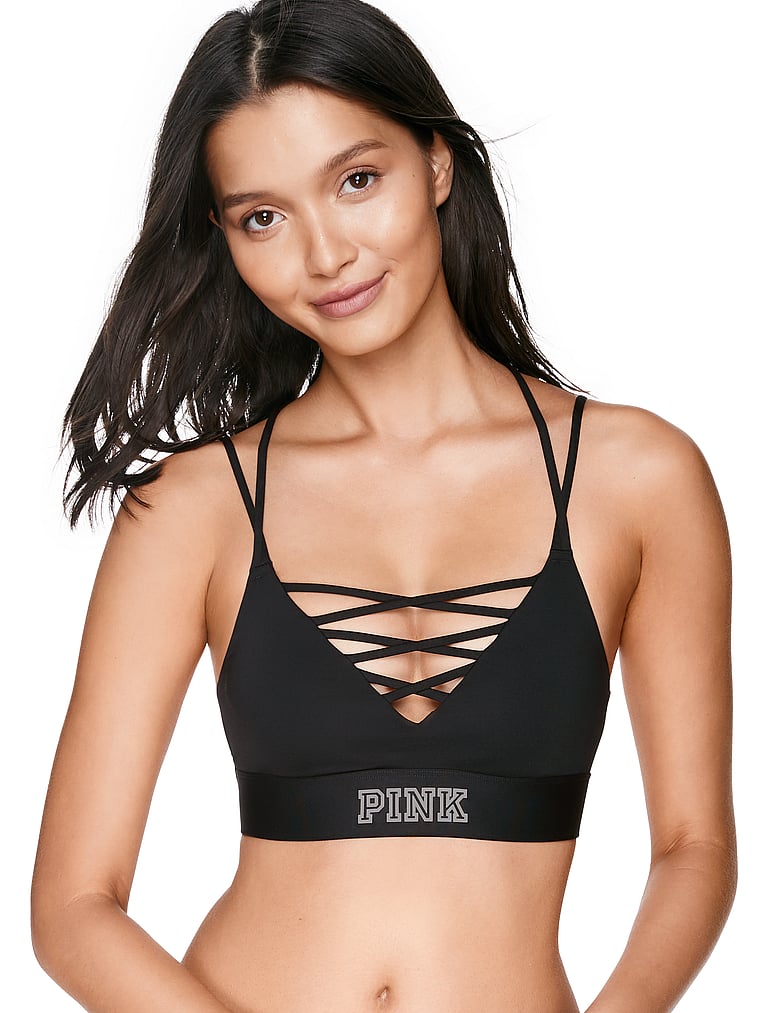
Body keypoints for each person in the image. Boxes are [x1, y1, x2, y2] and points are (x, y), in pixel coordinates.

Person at [30, 0, 736, 1010]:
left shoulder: (637, 477)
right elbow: (73, 905)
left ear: (436, 164)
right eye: (263, 217)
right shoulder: (195, 506)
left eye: (356, 180)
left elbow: (694, 846)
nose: (325, 254)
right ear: (226, 238)